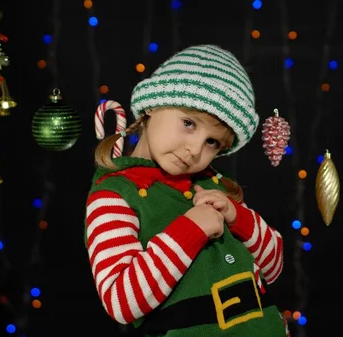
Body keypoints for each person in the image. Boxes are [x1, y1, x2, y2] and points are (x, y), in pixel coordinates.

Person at [85, 44, 289, 336]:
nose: (195, 149)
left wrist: (237, 217)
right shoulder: (115, 195)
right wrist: (191, 229)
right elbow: (121, 302)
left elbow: (274, 267)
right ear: (153, 104)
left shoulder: (212, 185)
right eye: (189, 123)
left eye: (212, 143)